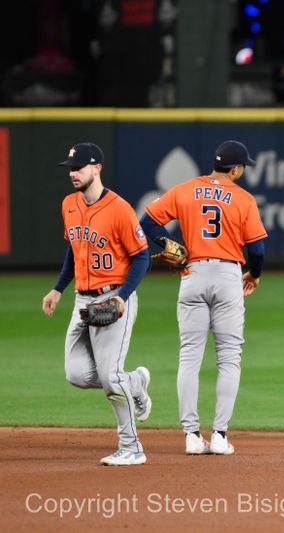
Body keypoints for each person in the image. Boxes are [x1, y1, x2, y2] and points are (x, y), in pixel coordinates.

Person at [140, 140, 267, 455]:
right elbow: (258, 248)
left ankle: (192, 437)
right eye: (242, 167)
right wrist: (255, 273)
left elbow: (146, 223)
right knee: (228, 359)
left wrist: (169, 244)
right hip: (227, 277)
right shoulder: (243, 198)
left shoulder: (185, 190)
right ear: (236, 169)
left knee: (189, 357)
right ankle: (221, 435)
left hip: (191, 274)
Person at [42, 142, 152, 466]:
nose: (73, 173)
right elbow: (74, 249)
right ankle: (136, 382)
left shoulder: (119, 209)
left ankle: (132, 448)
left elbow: (142, 256)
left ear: (97, 168)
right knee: (76, 374)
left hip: (114, 296)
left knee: (110, 380)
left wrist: (122, 297)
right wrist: (58, 288)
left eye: (79, 167)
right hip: (82, 300)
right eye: (70, 168)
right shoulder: (69, 204)